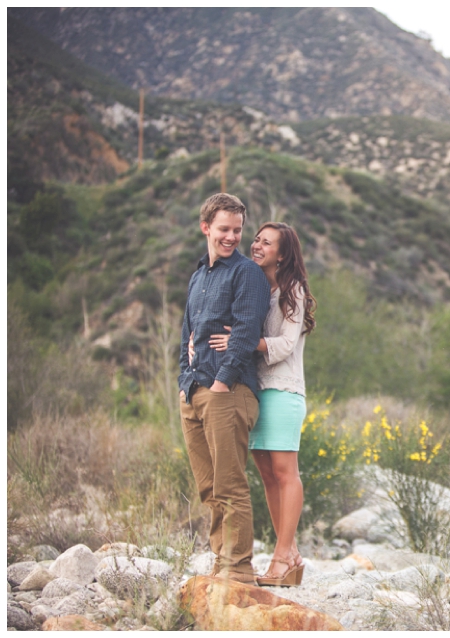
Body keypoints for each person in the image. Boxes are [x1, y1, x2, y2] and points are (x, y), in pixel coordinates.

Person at [206, 222, 316, 587]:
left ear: (281, 254)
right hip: (255, 391)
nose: (256, 245)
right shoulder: (254, 287)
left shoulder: (293, 291)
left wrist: (248, 341)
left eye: (265, 242)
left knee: (286, 474)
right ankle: (291, 552)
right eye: (256, 239)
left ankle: (283, 556)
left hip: (283, 392)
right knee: (268, 476)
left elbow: (285, 344)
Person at [178, 193, 271, 585]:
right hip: (193, 392)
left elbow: (247, 331)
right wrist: (185, 380)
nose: (232, 237)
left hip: (228, 393)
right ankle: (221, 561)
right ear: (206, 228)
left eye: (237, 230)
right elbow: (187, 334)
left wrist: (221, 381)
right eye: (224, 229)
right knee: (208, 486)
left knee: (230, 484)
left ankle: (238, 570)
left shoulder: (247, 274)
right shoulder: (199, 276)